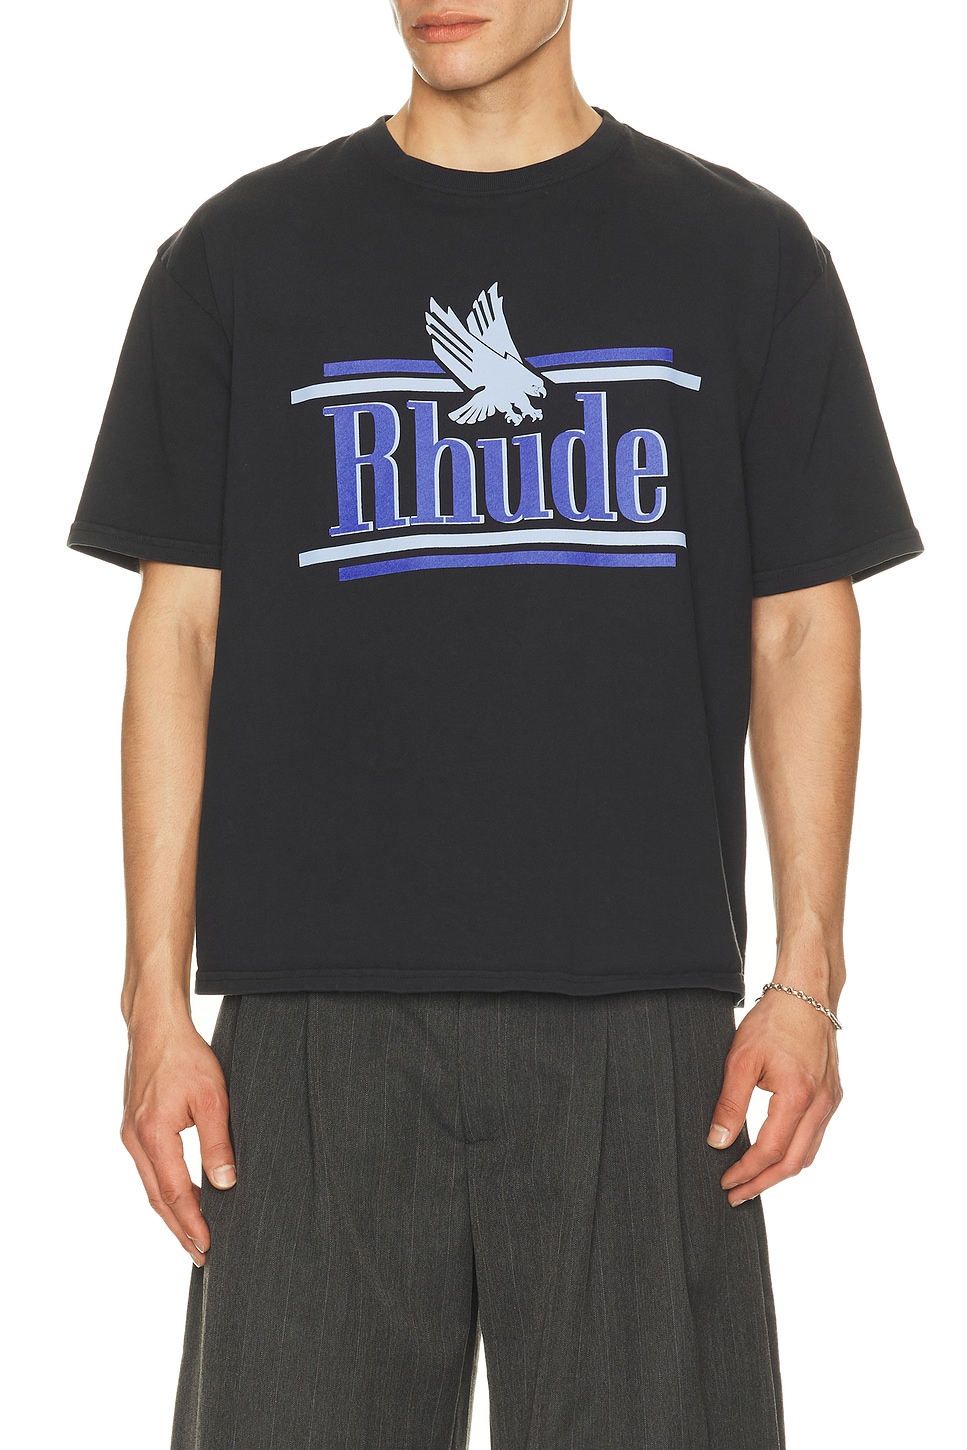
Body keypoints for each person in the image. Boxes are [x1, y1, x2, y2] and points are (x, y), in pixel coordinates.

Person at [66, 3, 923, 1447]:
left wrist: (807, 980)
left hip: (644, 1029)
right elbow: (177, 635)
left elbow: (800, 625)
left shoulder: (744, 256)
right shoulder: (238, 258)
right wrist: (155, 1007)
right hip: (313, 1030)